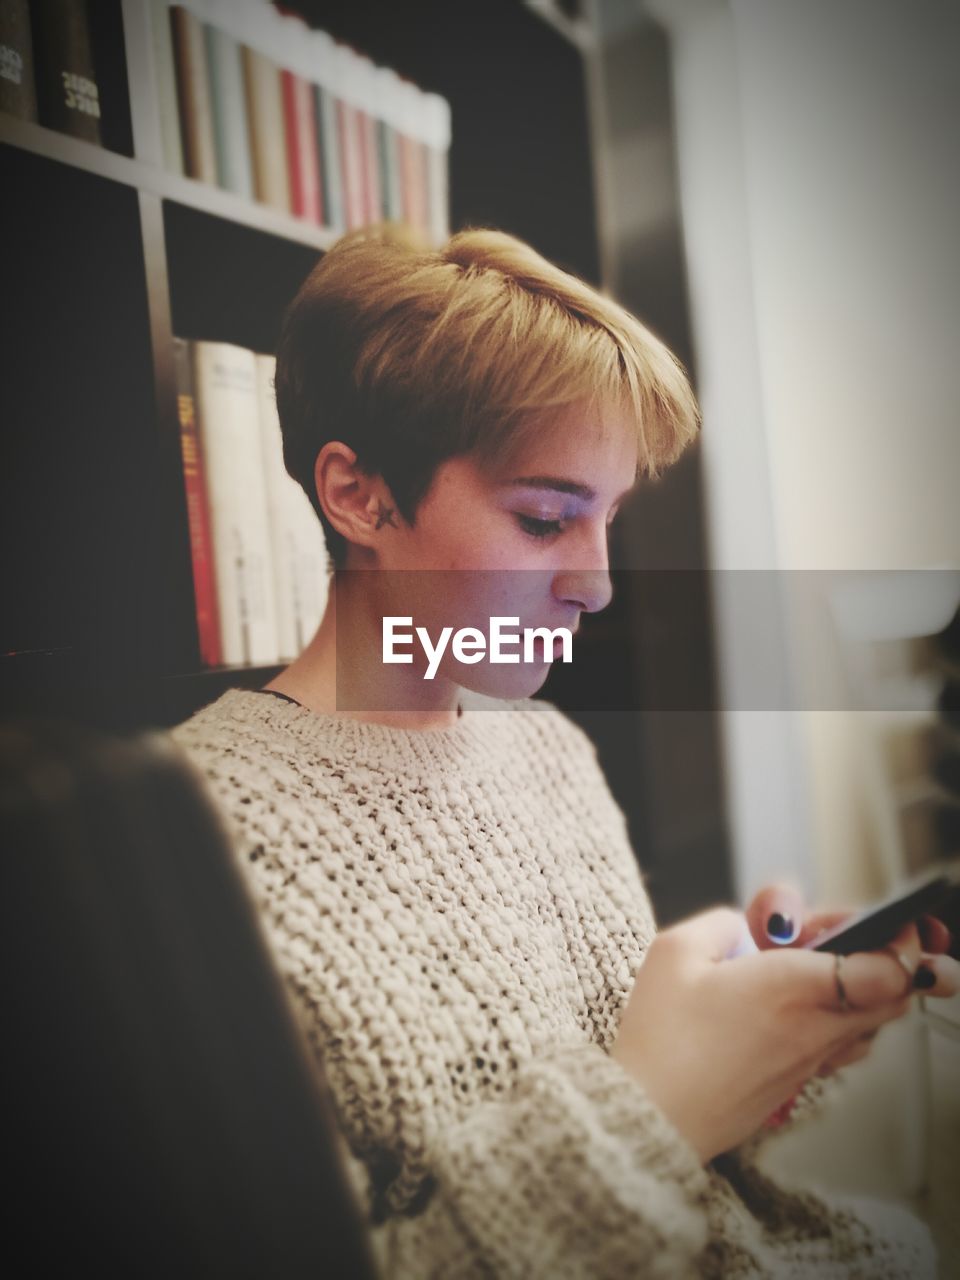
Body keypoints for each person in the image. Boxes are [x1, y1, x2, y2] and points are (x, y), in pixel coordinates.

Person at [172, 223, 957, 1278]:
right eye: (546, 519)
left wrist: (770, 1034)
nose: (597, 583)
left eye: (609, 520)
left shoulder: (546, 750)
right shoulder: (202, 835)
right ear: (358, 495)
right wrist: (655, 1110)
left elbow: (674, 1145)